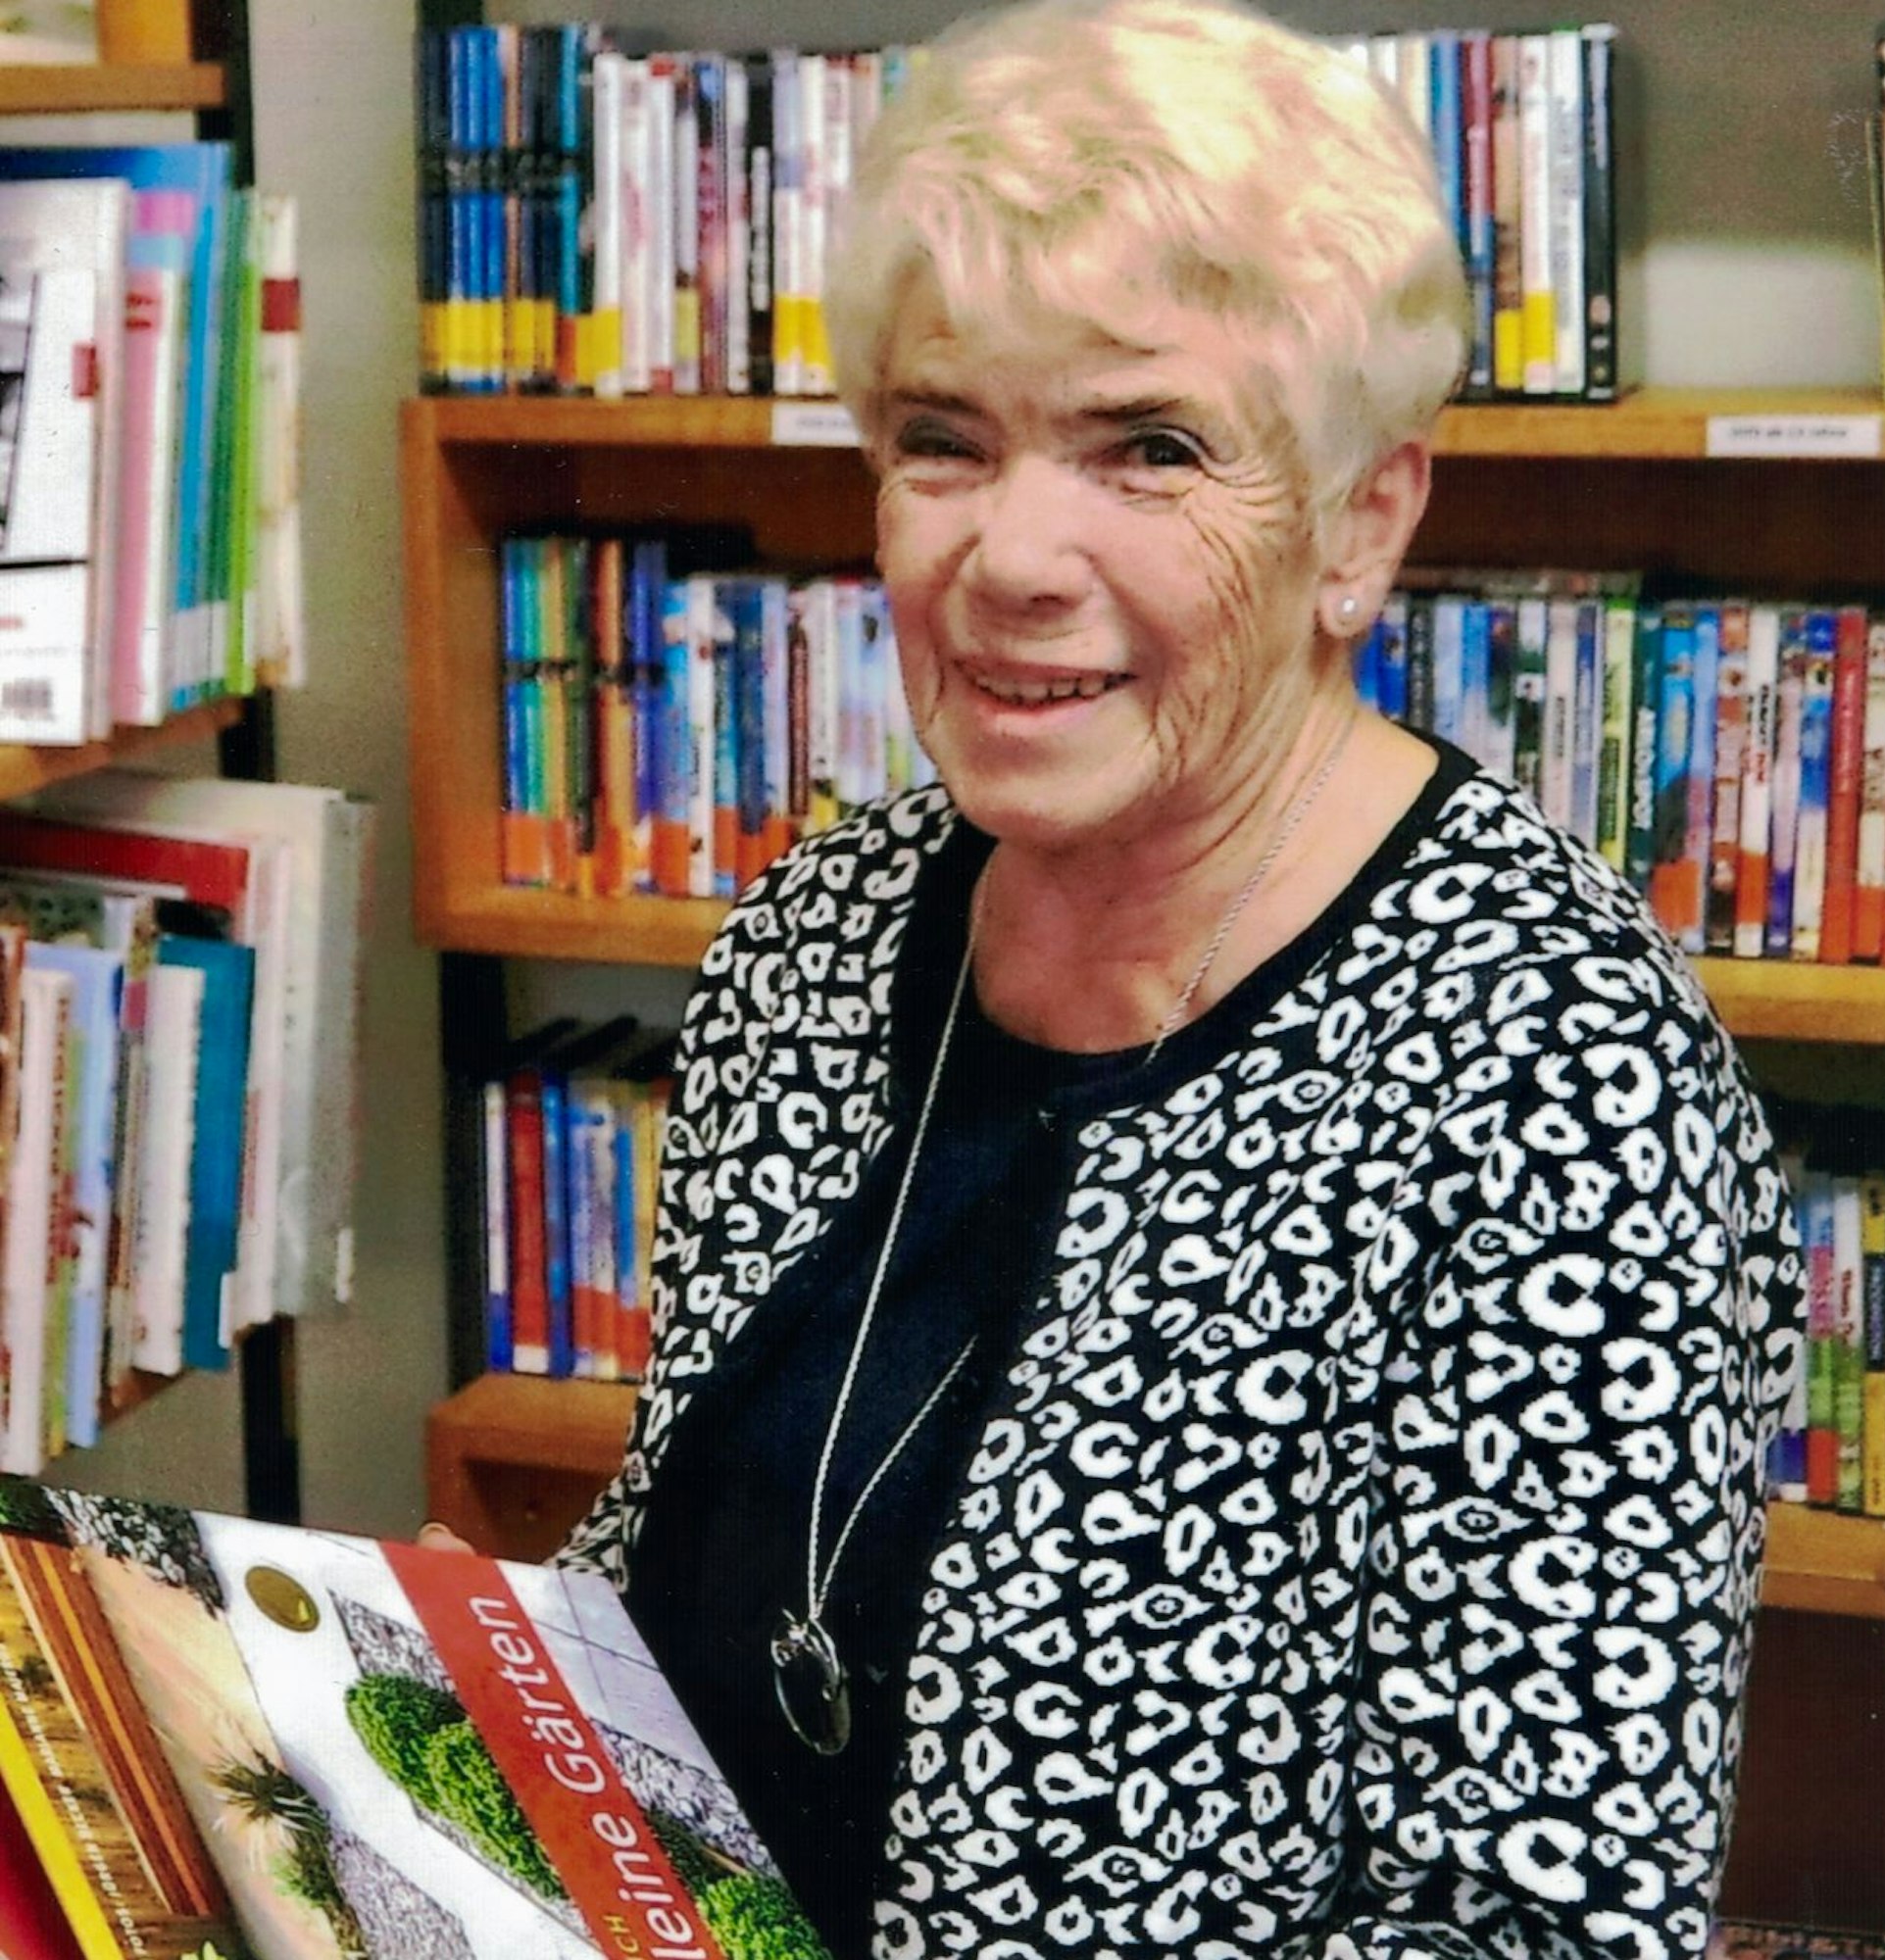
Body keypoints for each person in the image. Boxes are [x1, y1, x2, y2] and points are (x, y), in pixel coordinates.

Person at [554, 2, 1805, 1954]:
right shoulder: (818, 931)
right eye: (943, 442)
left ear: (1359, 521)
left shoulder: (1557, 1074)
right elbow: (695, 1549)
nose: (1011, 556)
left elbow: (1525, 1929)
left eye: (1148, 449)